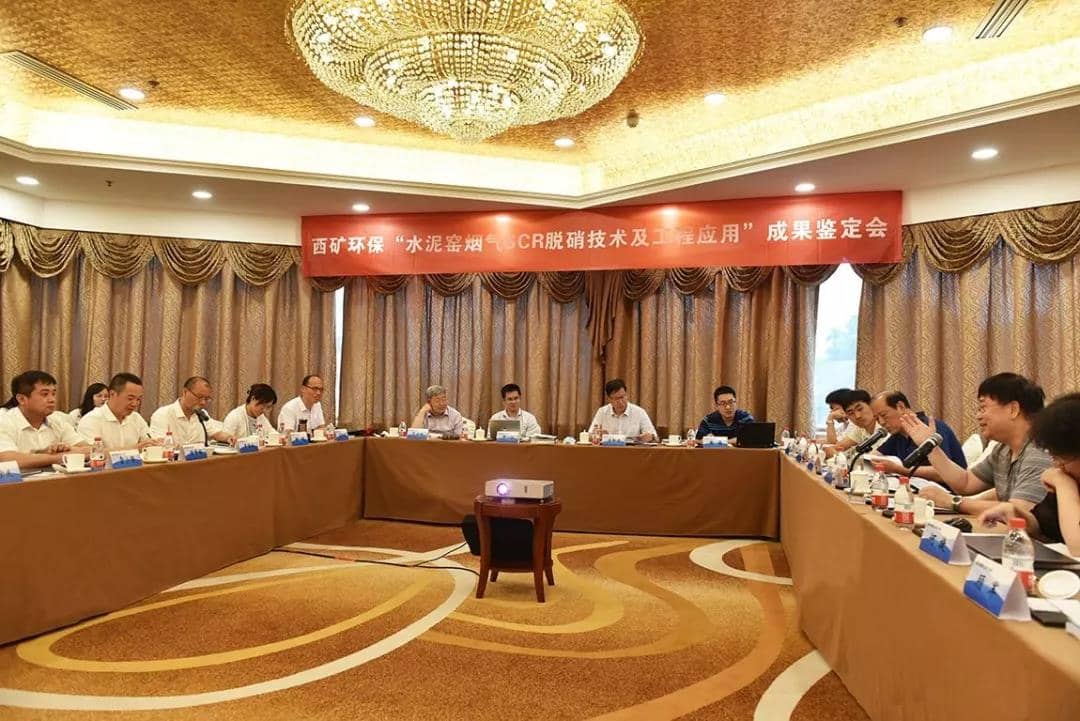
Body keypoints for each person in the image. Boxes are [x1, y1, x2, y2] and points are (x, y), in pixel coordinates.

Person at [900, 373, 1050, 516]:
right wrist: (930, 447)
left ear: (1013, 409)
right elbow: (966, 483)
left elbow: (1019, 512)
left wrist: (952, 501)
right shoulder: (1003, 450)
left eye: (982, 408)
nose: (978, 416)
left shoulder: (1039, 452)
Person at [978, 392, 1080, 555]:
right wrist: (1015, 513)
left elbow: (1078, 547)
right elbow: (1042, 525)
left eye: (1062, 457)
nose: (1057, 465)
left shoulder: (1064, 479)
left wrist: (1063, 484)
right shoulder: (1070, 475)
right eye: (1054, 456)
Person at [868, 390, 966, 484]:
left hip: (946, 492)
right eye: (877, 419)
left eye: (884, 415)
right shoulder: (898, 434)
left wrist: (898, 469)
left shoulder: (932, 427)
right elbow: (875, 456)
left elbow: (942, 473)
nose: (881, 422)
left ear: (901, 407)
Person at [0, 370, 91, 469]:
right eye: (45, 394)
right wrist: (59, 456)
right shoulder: (5, 422)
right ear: (22, 399)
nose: (52, 399)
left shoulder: (57, 420)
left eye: (53, 394)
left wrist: (69, 449)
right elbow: (8, 460)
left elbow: (90, 450)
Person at [78, 373, 157, 451]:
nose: (135, 404)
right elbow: (93, 453)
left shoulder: (136, 418)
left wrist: (153, 445)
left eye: (138, 399)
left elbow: (149, 443)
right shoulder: (91, 420)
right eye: (130, 398)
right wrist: (134, 449)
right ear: (112, 394)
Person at [150, 376, 234, 446]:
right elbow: (158, 445)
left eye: (207, 399)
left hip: (200, 460)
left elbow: (216, 433)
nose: (203, 402)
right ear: (185, 392)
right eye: (199, 397)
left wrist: (228, 438)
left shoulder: (202, 414)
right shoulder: (162, 414)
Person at [589, 378, 657, 443]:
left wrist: (650, 437)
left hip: (632, 450)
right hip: (608, 449)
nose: (621, 402)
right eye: (616, 399)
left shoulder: (639, 412)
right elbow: (590, 435)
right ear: (609, 399)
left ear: (626, 395)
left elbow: (655, 438)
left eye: (622, 397)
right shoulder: (602, 412)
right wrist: (598, 435)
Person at [827, 389, 885, 457]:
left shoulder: (885, 427)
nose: (857, 416)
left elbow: (876, 459)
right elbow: (835, 447)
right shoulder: (859, 429)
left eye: (860, 409)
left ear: (871, 406)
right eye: (851, 413)